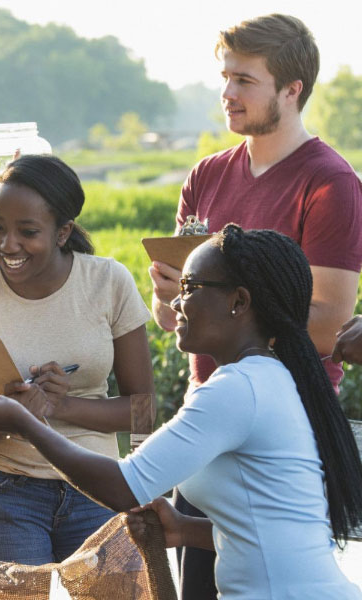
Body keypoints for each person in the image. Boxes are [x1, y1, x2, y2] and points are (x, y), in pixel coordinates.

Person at [0, 225, 362, 598]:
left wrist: (25, 423)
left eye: (189, 287)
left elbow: (123, 486)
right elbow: (275, 528)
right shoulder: (266, 378)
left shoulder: (238, 389)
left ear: (238, 302)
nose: (175, 301)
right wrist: (186, 529)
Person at [148, 14, 362, 597]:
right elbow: (174, 320)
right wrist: (172, 299)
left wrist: (221, 314)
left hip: (283, 425)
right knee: (198, 583)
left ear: (292, 90)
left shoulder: (330, 182)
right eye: (224, 77)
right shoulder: (206, 176)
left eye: (245, 80)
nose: (227, 93)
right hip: (205, 416)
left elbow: (329, 327)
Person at [0, 155, 155, 564]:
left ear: (63, 232)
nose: (7, 245)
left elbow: (143, 410)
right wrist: (13, 413)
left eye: (28, 231)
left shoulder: (109, 283)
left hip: (97, 489)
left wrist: (60, 406)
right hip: (2, 497)